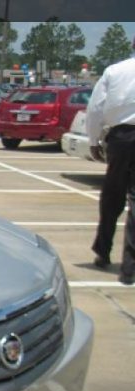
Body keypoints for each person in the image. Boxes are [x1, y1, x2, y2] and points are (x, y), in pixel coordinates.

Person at [87, 36, 135, 285]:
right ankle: (129, 267)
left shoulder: (114, 71)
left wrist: (93, 141)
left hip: (121, 138)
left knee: (112, 197)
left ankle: (102, 251)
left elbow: (95, 108)